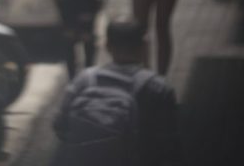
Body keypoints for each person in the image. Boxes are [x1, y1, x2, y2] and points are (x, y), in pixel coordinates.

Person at [54, 20, 180, 166]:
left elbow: (60, 125)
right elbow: (169, 143)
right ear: (144, 46)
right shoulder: (158, 88)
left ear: (107, 46)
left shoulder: (84, 79)